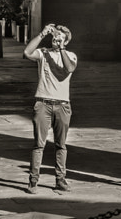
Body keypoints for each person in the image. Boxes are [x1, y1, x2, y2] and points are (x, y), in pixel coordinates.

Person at [23, 23, 79, 193]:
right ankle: (33, 180)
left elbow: (69, 68)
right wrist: (42, 34)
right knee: (38, 145)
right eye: (55, 37)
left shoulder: (71, 55)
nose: (56, 39)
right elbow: (27, 53)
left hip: (62, 105)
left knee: (61, 145)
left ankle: (60, 179)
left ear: (66, 41)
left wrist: (61, 48)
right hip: (43, 103)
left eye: (60, 37)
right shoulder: (44, 53)